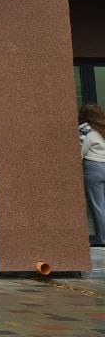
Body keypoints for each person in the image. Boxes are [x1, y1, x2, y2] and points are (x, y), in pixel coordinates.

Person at [79, 103, 105, 246]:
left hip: (94, 168)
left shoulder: (86, 130)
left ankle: (102, 238)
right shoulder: (102, 129)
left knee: (98, 205)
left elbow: (80, 151)